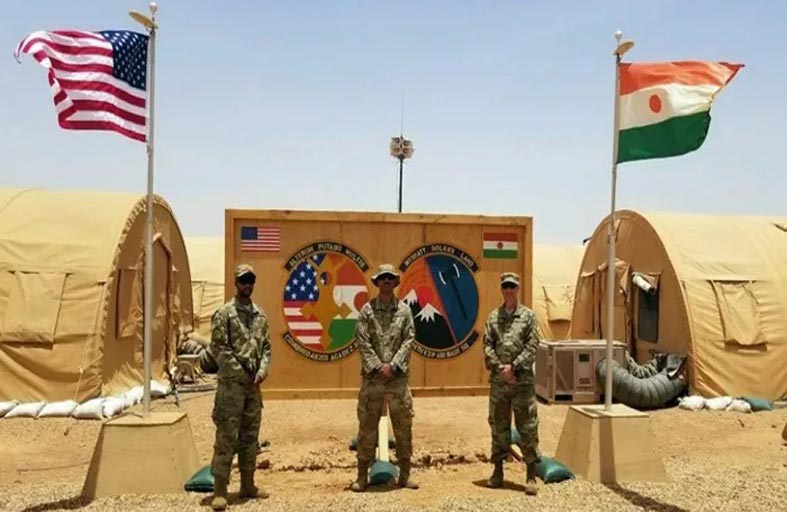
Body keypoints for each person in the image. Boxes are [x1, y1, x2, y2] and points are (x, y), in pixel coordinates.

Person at [350, 263, 419, 492]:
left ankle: (405, 476)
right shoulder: (367, 311)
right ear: (377, 282)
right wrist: (378, 366)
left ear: (395, 282)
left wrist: (393, 365)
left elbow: (409, 339)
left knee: (403, 428)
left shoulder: (405, 311)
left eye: (390, 277)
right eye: (383, 278)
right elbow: (362, 340)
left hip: (397, 380)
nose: (387, 280)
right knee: (367, 428)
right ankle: (362, 477)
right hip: (374, 380)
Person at [209, 264, 272, 511]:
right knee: (226, 437)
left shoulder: (260, 316)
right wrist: (242, 374)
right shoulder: (224, 314)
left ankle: (248, 485)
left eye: (251, 280)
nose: (248, 285)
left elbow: (266, 349)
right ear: (236, 283)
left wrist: (261, 372)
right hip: (231, 389)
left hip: (253, 388)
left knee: (250, 437)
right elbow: (220, 349)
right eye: (243, 280)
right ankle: (220, 490)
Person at [482, 271, 541, 495]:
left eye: (512, 286)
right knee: (498, 425)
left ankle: (531, 475)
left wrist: (513, 367)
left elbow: (532, 346)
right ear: (502, 289)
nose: (508, 290)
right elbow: (487, 346)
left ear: (518, 289)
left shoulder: (528, 317)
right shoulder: (493, 318)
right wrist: (500, 368)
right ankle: (498, 472)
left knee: (527, 426)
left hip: (522, 382)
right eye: (505, 286)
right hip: (499, 382)